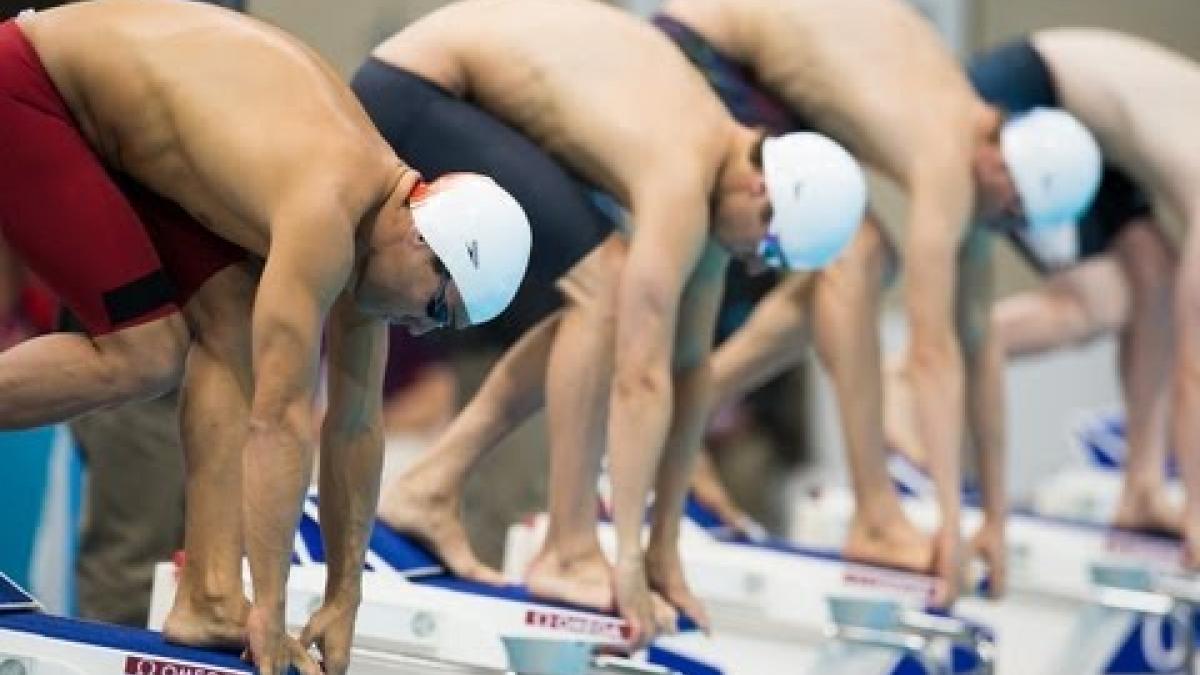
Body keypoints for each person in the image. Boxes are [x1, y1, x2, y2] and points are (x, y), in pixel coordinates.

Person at [0, 2, 531, 673]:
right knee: (146, 353)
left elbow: (355, 426)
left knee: (234, 324)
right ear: (423, 242)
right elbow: (278, 420)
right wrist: (271, 613)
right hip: (28, 85)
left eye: (440, 322)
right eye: (433, 304)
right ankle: (231, 597)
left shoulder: (383, 226)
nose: (422, 325)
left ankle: (210, 594)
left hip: (114, 124)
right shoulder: (328, 206)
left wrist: (346, 595)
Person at [358, 0, 866, 646]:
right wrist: (622, 552)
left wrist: (664, 549)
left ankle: (431, 484)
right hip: (415, 89)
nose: (751, 264)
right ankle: (568, 550)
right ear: (762, 197)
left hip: (460, 94)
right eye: (766, 252)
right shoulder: (684, 176)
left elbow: (688, 370)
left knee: (603, 287)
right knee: (606, 287)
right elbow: (640, 379)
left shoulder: (719, 171)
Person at [886, 37, 1179, 544]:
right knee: (1085, 306)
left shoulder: (1010, 160)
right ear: (999, 165)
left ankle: (1143, 484)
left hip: (1077, 112)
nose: (1010, 228)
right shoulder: (957, 156)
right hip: (1037, 84)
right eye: (1012, 214)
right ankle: (902, 389)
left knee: (1140, 285)